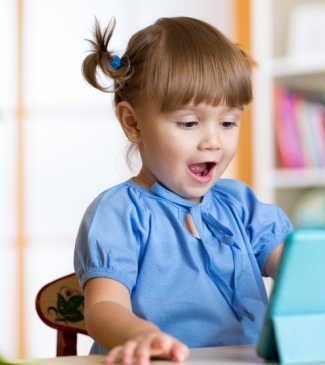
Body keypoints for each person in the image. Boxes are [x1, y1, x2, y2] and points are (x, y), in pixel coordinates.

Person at [74, 16, 293, 365]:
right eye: (189, 123)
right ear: (133, 123)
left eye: (228, 122)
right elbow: (103, 306)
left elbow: (297, 269)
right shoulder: (120, 212)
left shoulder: (241, 204)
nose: (213, 141)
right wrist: (141, 336)